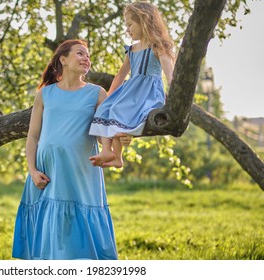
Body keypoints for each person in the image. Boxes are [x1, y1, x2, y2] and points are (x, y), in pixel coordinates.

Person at [12, 39, 120, 260]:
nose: (86, 59)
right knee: (50, 239)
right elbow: (33, 136)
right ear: (63, 59)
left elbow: (104, 132)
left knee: (80, 234)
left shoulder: (97, 93)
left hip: (79, 171)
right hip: (47, 172)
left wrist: (114, 147)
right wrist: (32, 170)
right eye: (80, 54)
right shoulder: (45, 94)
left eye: (88, 56)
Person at [89, 1, 175, 168]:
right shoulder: (131, 50)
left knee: (118, 110)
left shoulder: (157, 46)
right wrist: (109, 96)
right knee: (106, 108)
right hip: (131, 91)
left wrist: (174, 92)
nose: (127, 29)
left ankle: (117, 155)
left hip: (148, 93)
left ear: (144, 21)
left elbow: (169, 72)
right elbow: (120, 75)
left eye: (130, 24)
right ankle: (108, 151)